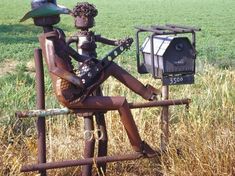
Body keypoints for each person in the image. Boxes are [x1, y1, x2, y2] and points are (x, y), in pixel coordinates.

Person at [21, 0, 159, 156]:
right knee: (121, 102)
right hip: (70, 93)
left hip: (76, 86)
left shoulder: (57, 34)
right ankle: (138, 146)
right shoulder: (48, 38)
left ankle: (147, 93)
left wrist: (84, 59)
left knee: (110, 66)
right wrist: (75, 80)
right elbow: (54, 67)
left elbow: (72, 53)